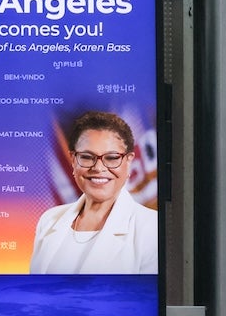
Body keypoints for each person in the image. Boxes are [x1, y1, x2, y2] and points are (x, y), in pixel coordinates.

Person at [29, 111, 159, 275]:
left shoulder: (152, 227)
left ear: (129, 161)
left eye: (112, 158)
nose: (98, 168)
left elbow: (145, 298)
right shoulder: (49, 220)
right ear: (73, 160)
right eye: (87, 157)